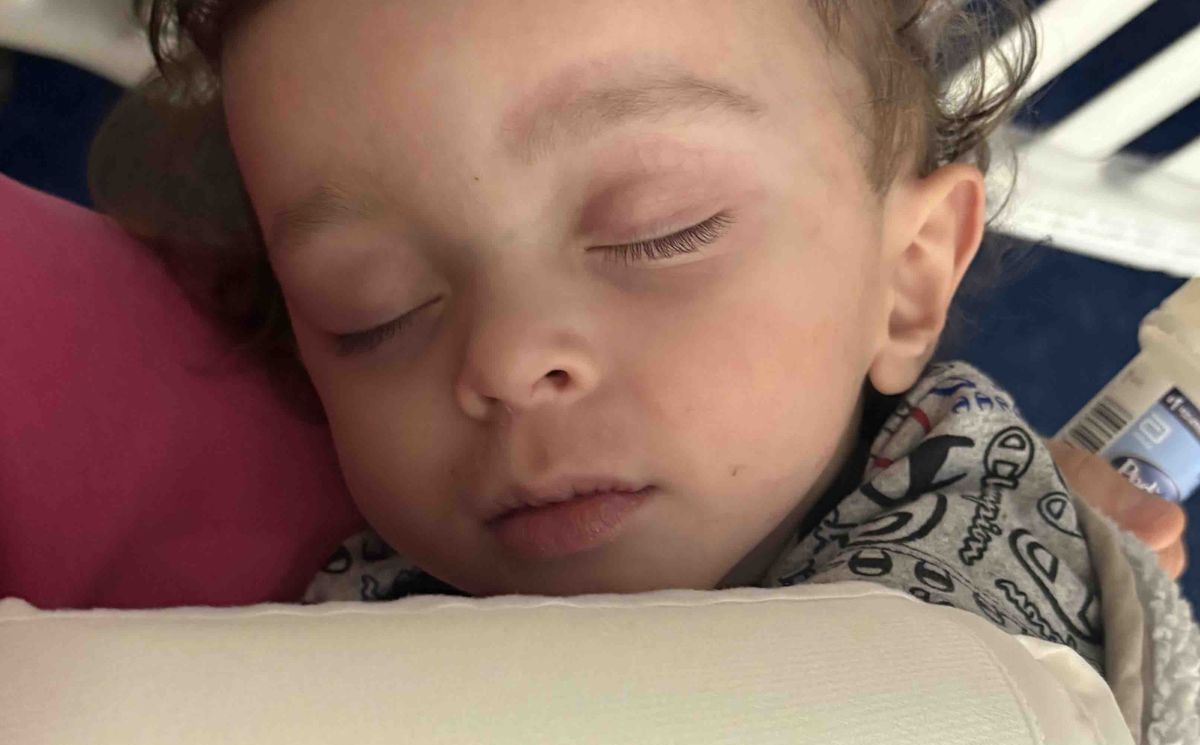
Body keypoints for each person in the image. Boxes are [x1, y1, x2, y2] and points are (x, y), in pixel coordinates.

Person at [94, 0, 1186, 673]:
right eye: (370, 309)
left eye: (661, 231)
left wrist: (1098, 620)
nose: (505, 360)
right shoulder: (323, 655)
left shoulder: (1006, 590)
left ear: (905, 279)